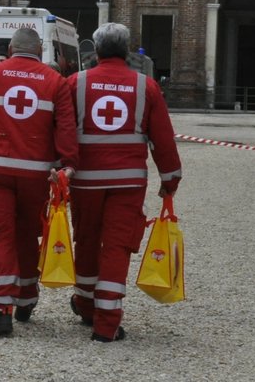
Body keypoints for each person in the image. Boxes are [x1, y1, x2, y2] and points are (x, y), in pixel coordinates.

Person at [0, 26, 78, 337]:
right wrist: (67, 165)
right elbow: (66, 128)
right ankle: (27, 298)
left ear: (10, 50)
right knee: (26, 235)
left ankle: (2, 309)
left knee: (0, 235)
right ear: (39, 52)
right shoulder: (55, 81)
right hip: (35, 172)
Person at [67, 22, 183, 343]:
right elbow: (163, 140)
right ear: (127, 50)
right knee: (117, 247)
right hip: (128, 183)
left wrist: (60, 169)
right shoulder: (146, 87)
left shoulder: (76, 82)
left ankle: (86, 305)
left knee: (86, 240)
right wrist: (170, 179)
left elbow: (62, 130)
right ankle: (106, 325)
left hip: (85, 181)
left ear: (98, 50)